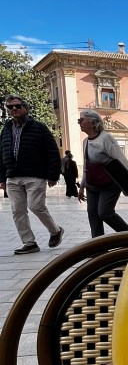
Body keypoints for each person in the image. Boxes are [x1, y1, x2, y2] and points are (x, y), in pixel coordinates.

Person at [0, 95, 64, 255]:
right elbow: (1, 154)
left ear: (25, 108)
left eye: (17, 106)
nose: (14, 109)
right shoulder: (6, 129)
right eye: (10, 107)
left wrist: (53, 175)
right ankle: (29, 242)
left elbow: (52, 151)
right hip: (12, 176)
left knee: (36, 206)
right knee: (17, 210)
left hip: (35, 174)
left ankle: (55, 231)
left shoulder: (39, 128)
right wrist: (1, 178)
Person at [76, 109, 128, 238]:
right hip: (92, 184)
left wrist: (127, 185)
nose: (79, 123)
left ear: (92, 122)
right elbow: (86, 165)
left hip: (110, 184)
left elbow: (121, 161)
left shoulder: (106, 138)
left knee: (105, 213)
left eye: (81, 120)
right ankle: (98, 246)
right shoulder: (85, 141)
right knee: (93, 217)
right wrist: (82, 187)